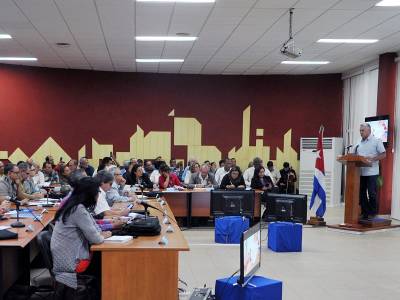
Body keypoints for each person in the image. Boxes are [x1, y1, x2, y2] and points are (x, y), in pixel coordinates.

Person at [51, 177, 110, 299]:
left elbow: (95, 229)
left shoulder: (74, 205)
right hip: (72, 261)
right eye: (97, 192)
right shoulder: (78, 209)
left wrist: (100, 234)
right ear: (90, 194)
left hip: (67, 254)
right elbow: (96, 239)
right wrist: (105, 235)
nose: (98, 196)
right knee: (106, 261)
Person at [355, 123, 386, 219]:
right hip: (361, 172)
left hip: (372, 173)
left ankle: (373, 213)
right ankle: (365, 213)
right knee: (362, 193)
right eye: (360, 130)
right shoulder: (358, 142)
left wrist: (372, 159)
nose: (361, 132)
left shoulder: (376, 141)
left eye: (362, 130)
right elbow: (355, 155)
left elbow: (383, 154)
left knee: (372, 193)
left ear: (369, 131)